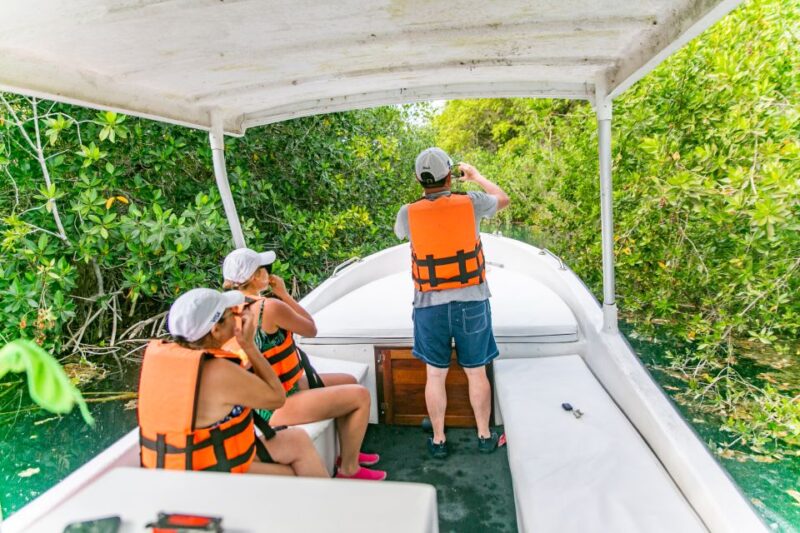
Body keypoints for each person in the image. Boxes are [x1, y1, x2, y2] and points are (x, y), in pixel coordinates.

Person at [221, 248, 386, 481]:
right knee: (359, 396)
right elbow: (311, 329)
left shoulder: (226, 309)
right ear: (256, 277)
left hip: (264, 394)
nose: (269, 273)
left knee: (347, 381)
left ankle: (349, 453)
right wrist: (284, 295)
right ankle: (349, 469)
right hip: (276, 404)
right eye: (265, 270)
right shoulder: (270, 307)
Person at [138, 288, 328, 477]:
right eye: (232, 314)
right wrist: (249, 345)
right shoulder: (217, 371)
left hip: (183, 464)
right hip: (205, 475)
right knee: (296, 474)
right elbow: (277, 398)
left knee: (297, 440)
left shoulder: (173, 361)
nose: (237, 317)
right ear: (216, 329)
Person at [394, 147, 510, 458]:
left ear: (420, 179)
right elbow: (503, 198)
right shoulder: (471, 202)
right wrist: (476, 177)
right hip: (472, 302)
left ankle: (439, 439)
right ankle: (485, 435)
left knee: (435, 374)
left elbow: (405, 236)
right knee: (476, 372)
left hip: (429, 306)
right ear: (450, 174)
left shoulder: (407, 213)